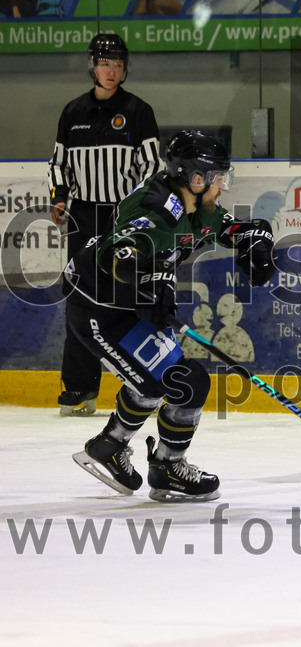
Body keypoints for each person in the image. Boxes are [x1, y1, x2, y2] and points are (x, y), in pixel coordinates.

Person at [68, 130, 277, 501]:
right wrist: (144, 287)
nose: (222, 187)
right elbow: (121, 254)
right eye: (218, 179)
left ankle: (111, 447)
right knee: (179, 383)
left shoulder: (194, 206)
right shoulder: (156, 207)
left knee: (168, 382)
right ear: (196, 178)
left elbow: (223, 228)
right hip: (99, 309)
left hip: (130, 307)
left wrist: (251, 236)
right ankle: (164, 467)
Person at [47, 33, 161, 417]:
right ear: (92, 66)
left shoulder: (138, 111)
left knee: (132, 298)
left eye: (117, 63)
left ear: (125, 68)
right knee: (80, 301)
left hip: (122, 218)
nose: (111, 70)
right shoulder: (73, 112)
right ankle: (79, 389)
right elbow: (59, 164)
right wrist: (59, 197)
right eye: (104, 63)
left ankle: (146, 382)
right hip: (81, 219)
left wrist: (136, 211)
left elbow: (150, 167)